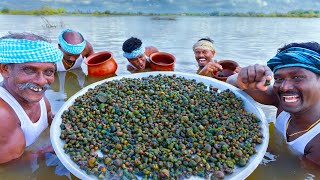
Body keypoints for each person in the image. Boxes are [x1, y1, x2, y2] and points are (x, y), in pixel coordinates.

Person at [227, 42, 320, 167]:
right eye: (279, 79)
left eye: (297, 77)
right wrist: (244, 77)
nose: (285, 87)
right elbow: (231, 82)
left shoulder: (316, 143)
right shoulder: (280, 99)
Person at [0, 32, 63, 164]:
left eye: (49, 71)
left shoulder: (36, 97)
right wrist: (50, 150)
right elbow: (9, 168)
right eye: (29, 70)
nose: (41, 81)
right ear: (5, 70)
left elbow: (49, 117)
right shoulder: (3, 117)